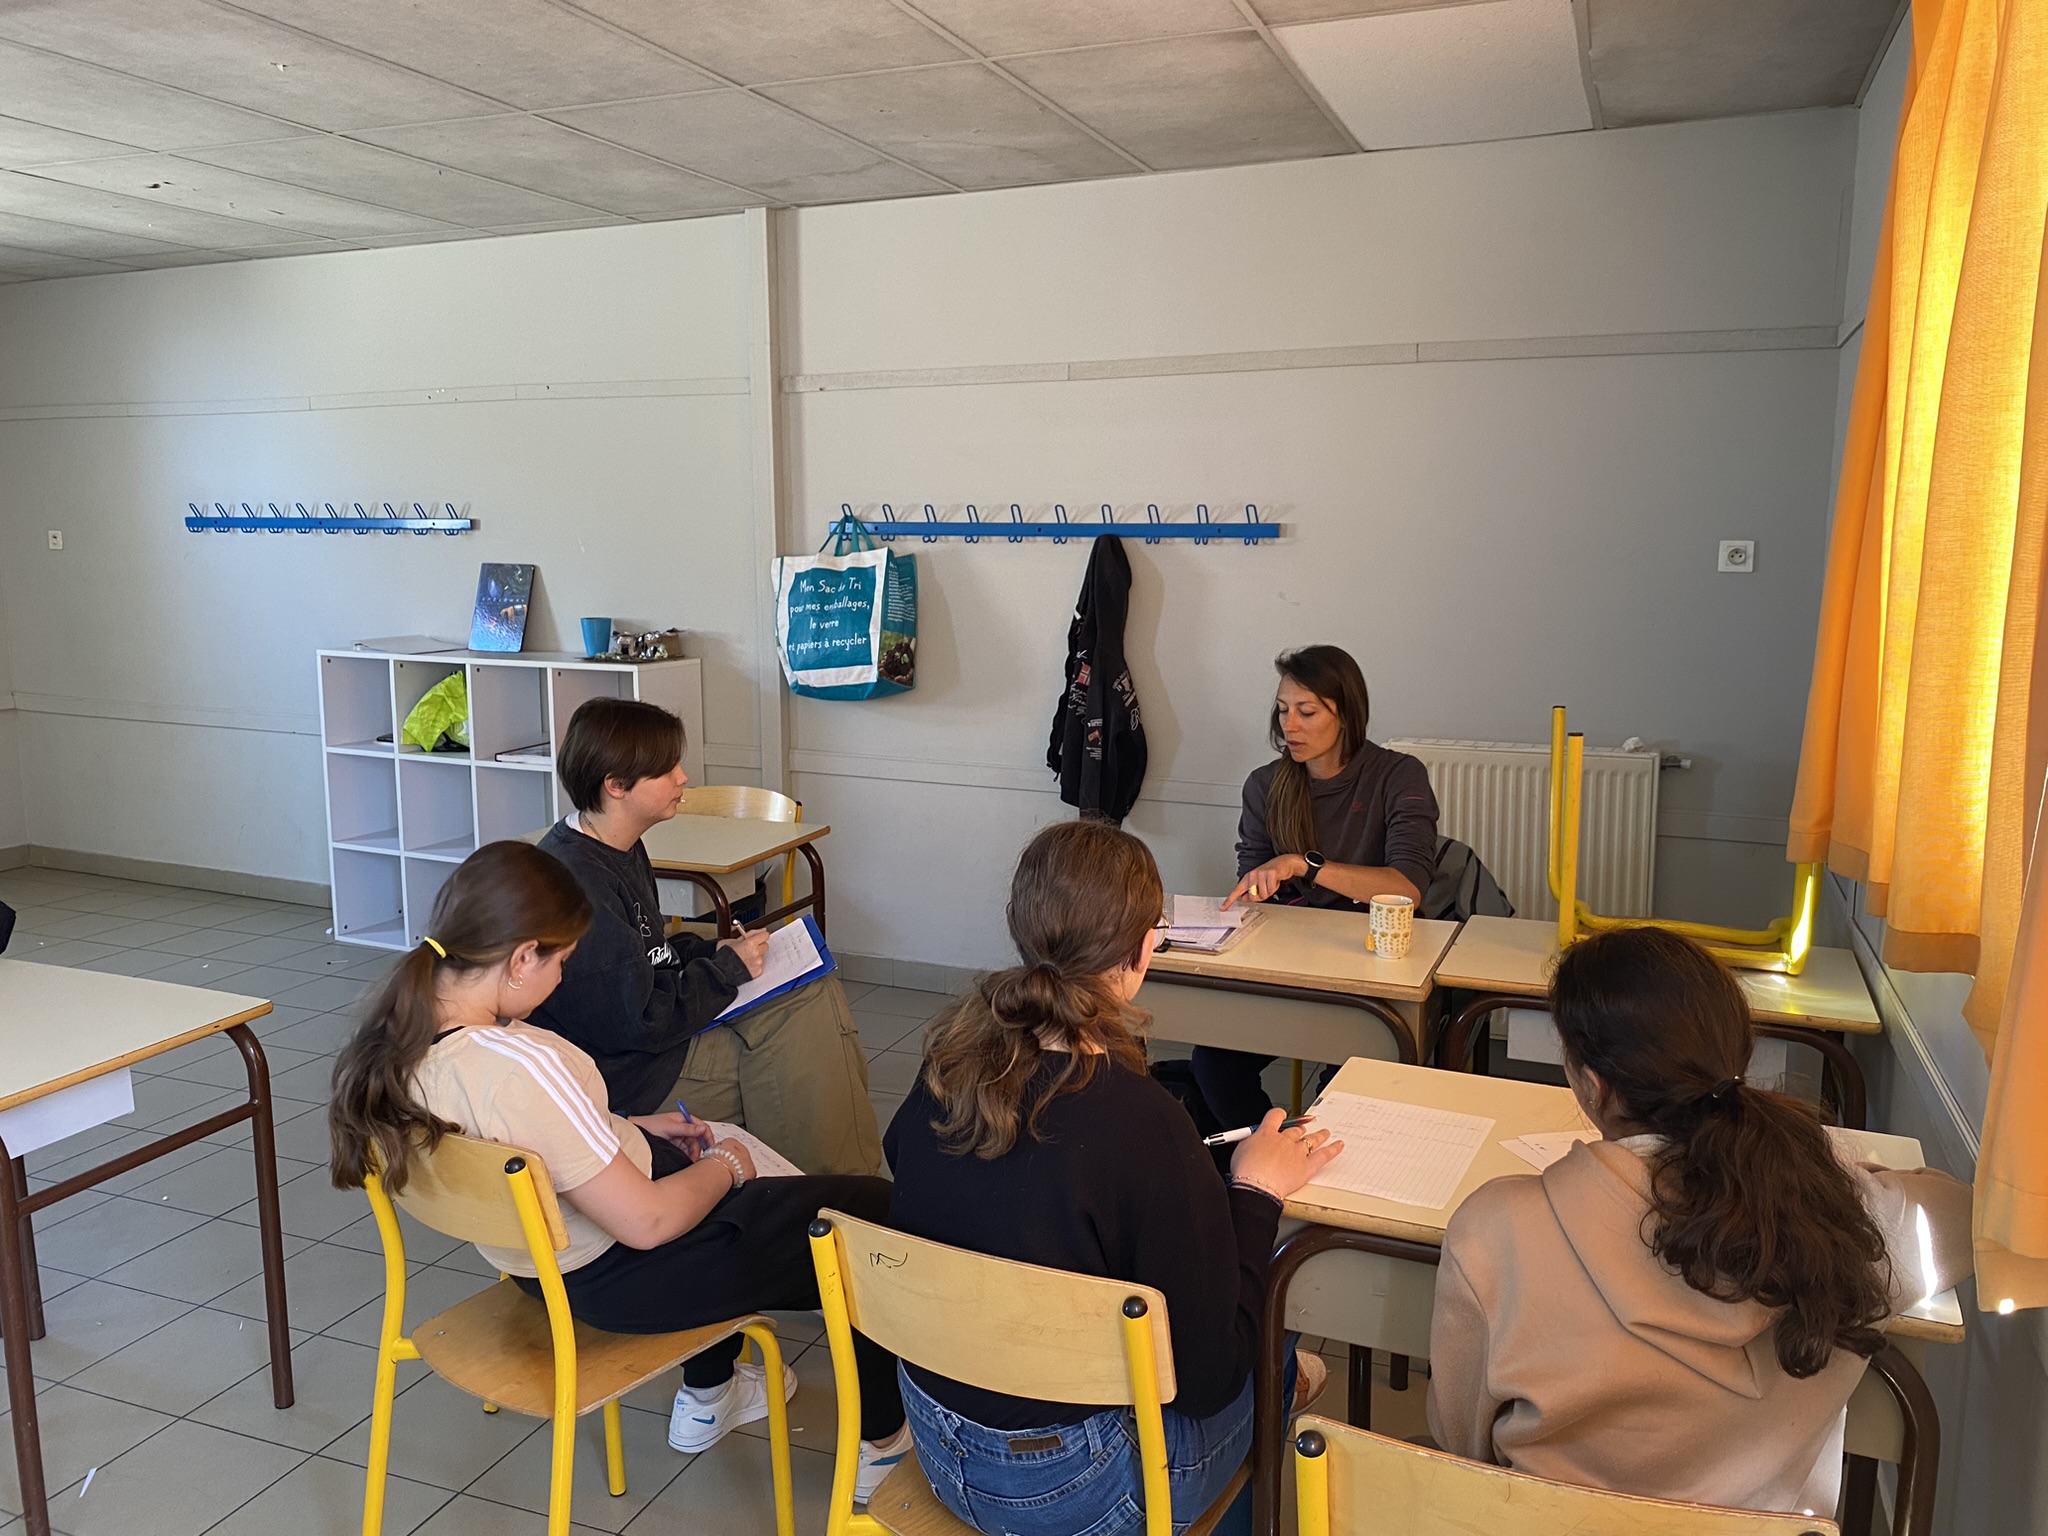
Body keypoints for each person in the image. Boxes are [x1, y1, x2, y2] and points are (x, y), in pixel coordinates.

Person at [328, 840, 913, 1494]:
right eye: (561, 963)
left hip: (543, 1273)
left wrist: (623, 1128)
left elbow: (537, 1139)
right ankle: (882, 1443)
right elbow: (647, 1222)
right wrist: (728, 1164)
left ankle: (712, 1393)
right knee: (867, 1216)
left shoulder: (399, 1047)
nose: (561, 981)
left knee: (700, 1161)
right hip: (628, 1276)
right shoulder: (523, 1063)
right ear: (522, 959)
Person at [885, 820, 1340, 1536]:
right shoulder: (1145, 1122)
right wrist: (1255, 1194)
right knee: (1274, 1344)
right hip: (1076, 1490)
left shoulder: (944, 1068)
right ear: (1142, 948)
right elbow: (1209, 1379)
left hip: (938, 1441)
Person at [1427, 927, 1973, 1516]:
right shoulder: (1840, 1221)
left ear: (1592, 1085)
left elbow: (1460, 1443)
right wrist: (1838, 1177)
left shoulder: (1493, 1232)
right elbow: (1962, 1217)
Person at [527, 697, 882, 1177]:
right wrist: (726, 971)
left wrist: (712, 950)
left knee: (813, 994)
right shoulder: (580, 881)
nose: (683, 778)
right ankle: (844, 1193)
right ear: (616, 786)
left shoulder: (615, 845)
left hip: (647, 1040)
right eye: (666, 770)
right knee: (806, 1044)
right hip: (631, 1074)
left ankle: (835, 1186)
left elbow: (649, 954)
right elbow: (637, 1022)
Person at [1192, 645, 1439, 1130]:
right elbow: (1254, 884)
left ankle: (1309, 1152)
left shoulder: (1397, 775)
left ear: (1345, 715)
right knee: (1213, 1063)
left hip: (1372, 971)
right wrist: (1257, 887)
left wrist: (1303, 865)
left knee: (1345, 1082)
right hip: (1293, 968)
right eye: (1283, 710)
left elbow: (1407, 888)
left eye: (1307, 712)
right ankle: (1271, 1146)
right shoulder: (1266, 785)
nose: (1291, 726)